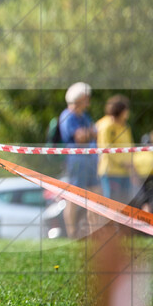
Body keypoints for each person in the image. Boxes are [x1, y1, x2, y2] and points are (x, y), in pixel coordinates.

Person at [58, 81, 98, 237]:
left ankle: (94, 231)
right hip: (76, 161)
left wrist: (89, 133)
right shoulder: (68, 115)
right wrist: (91, 133)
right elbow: (80, 137)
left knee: (95, 195)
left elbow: (90, 134)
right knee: (74, 197)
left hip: (89, 160)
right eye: (86, 97)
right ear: (79, 98)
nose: (89, 100)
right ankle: (71, 233)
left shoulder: (84, 116)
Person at [96, 95, 135, 204]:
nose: (128, 113)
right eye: (126, 110)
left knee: (125, 204)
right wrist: (123, 162)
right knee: (111, 204)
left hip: (125, 172)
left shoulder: (125, 126)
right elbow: (106, 149)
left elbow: (129, 146)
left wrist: (131, 164)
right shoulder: (106, 126)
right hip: (111, 172)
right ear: (120, 110)